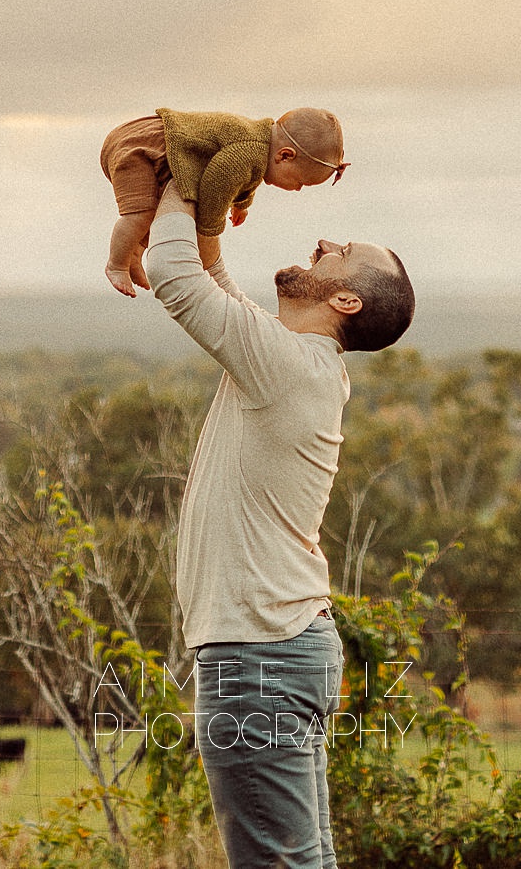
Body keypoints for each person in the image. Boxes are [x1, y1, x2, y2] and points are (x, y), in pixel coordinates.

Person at [144, 176, 414, 869]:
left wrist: (180, 173)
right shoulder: (292, 360)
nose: (324, 242)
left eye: (343, 251)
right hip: (276, 645)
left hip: (258, 654)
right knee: (299, 859)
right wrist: (211, 200)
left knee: (280, 863)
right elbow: (214, 279)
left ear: (346, 299)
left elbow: (174, 274)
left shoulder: (289, 367)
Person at [100, 105, 346, 295]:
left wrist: (241, 204)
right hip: (141, 147)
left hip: (154, 145)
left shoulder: (258, 147)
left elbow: (246, 177)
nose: (298, 190)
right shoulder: (247, 151)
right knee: (140, 213)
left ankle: (133, 255)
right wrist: (208, 230)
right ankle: (117, 264)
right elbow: (217, 185)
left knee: (155, 213)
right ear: (285, 156)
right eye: (301, 182)